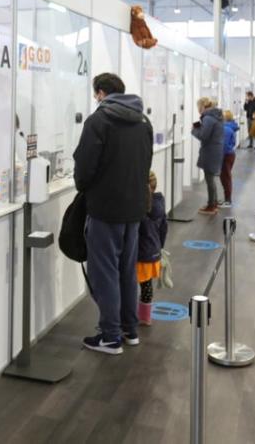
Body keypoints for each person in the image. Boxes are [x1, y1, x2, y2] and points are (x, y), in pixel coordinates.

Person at [73, 72, 153, 355]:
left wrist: (84, 187)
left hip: (105, 209)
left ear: (101, 93)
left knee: (104, 271)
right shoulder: (143, 122)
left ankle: (109, 336)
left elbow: (84, 169)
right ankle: (129, 330)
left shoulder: (98, 121)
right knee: (126, 271)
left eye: (96, 94)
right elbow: (146, 165)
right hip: (134, 210)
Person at [136, 171, 168, 327]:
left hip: (139, 255)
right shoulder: (160, 203)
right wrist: (160, 247)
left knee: (129, 285)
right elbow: (164, 229)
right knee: (146, 287)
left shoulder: (139, 209)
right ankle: (145, 317)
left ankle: (128, 315)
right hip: (153, 253)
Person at [191, 97, 224, 215]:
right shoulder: (216, 117)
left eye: (198, 107)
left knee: (209, 179)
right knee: (211, 179)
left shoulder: (208, 118)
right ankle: (213, 202)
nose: (198, 110)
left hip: (210, 151)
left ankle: (211, 206)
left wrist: (194, 130)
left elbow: (204, 136)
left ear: (202, 106)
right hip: (215, 150)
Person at [220, 110, 240, 208]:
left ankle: (228, 200)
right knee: (225, 177)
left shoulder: (225, 129)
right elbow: (232, 143)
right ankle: (227, 199)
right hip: (230, 154)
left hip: (225, 155)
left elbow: (224, 145)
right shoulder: (231, 128)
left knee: (226, 178)